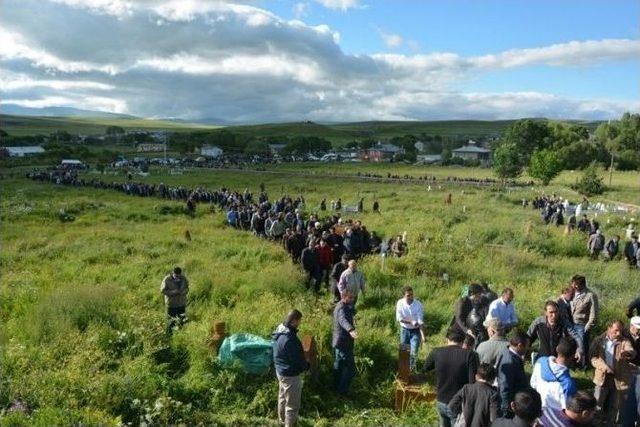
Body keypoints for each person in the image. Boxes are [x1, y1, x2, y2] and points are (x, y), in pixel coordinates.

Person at [424, 328, 479, 427]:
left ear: (447, 339)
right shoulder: (470, 355)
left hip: (441, 399)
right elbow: (472, 382)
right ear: (463, 341)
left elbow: (426, 368)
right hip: (459, 403)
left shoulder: (436, 352)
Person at [590, 319, 637, 427]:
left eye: (620, 331)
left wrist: (628, 353)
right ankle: (596, 424)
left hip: (618, 378)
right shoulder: (599, 341)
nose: (618, 333)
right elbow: (593, 359)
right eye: (616, 330)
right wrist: (604, 367)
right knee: (597, 404)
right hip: (602, 377)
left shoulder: (624, 341)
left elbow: (632, 351)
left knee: (614, 405)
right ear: (609, 328)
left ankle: (610, 424)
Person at [272, 310, 310, 427]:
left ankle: (282, 421)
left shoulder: (279, 331)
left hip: (280, 371)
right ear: (294, 321)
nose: (300, 323)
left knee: (282, 398)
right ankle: (290, 424)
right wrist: (306, 366)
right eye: (299, 321)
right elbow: (297, 359)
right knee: (292, 405)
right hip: (290, 375)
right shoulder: (290, 339)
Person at [530, 337, 577, 411]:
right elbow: (567, 410)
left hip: (535, 409)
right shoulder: (568, 384)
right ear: (573, 356)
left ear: (557, 348)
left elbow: (533, 384)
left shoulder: (540, 361)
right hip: (553, 418)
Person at [449, 363, 499, 427]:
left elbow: (451, 405)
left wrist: (463, 413)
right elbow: (494, 418)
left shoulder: (466, 388)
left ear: (476, 376)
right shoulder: (493, 394)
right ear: (493, 379)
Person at [495, 330, 530, 417]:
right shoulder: (510, 361)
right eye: (527, 346)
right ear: (520, 345)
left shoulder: (507, 352)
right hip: (509, 408)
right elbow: (504, 386)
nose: (528, 348)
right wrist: (506, 410)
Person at [332, 290, 358, 396]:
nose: (352, 300)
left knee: (339, 365)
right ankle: (342, 392)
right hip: (343, 343)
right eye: (350, 298)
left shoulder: (343, 305)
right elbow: (343, 320)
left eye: (353, 298)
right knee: (351, 369)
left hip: (339, 342)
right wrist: (351, 330)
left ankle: (334, 387)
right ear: (344, 297)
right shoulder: (341, 308)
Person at [396, 286, 426, 372]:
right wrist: (411, 322)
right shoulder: (400, 303)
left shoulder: (418, 304)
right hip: (404, 329)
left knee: (414, 351)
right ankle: (403, 370)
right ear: (403, 296)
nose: (410, 297)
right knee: (404, 351)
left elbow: (420, 321)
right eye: (408, 295)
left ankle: (411, 370)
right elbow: (399, 318)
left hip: (415, 331)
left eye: (412, 295)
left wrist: (423, 336)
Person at [570, 275, 599, 364]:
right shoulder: (572, 292)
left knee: (582, 346)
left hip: (582, 325)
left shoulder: (591, 295)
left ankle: (583, 365)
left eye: (576, 285)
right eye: (573, 284)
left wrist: (587, 327)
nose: (574, 286)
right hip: (570, 323)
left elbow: (593, 313)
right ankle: (573, 362)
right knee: (572, 344)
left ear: (582, 285)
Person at [160, 267, 189, 335]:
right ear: (173, 273)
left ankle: (180, 335)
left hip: (181, 303)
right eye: (176, 276)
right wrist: (173, 292)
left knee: (181, 321)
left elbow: (187, 288)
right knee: (171, 322)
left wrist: (184, 292)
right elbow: (162, 290)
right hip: (171, 304)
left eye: (179, 275)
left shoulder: (183, 278)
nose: (178, 277)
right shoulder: (167, 279)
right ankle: (169, 337)